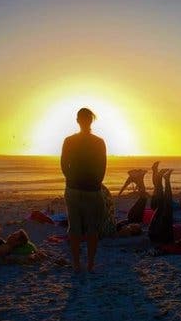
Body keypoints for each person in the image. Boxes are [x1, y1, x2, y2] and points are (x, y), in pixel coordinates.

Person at [60, 107, 107, 273]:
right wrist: (94, 182)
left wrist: (72, 179)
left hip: (73, 189)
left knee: (75, 228)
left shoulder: (69, 141)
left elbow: (64, 165)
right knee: (92, 228)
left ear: (78, 120)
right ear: (91, 120)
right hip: (91, 190)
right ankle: (90, 264)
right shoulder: (99, 142)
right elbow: (102, 168)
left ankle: (77, 265)